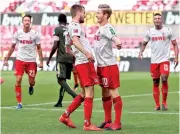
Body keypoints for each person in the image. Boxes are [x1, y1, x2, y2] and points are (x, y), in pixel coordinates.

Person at [59, 4, 102, 131]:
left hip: (80, 62)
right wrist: (86, 53)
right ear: (78, 13)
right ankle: (87, 124)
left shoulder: (68, 28)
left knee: (83, 93)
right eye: (84, 12)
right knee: (90, 93)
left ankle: (65, 116)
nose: (85, 15)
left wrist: (78, 54)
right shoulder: (76, 26)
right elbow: (76, 41)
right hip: (84, 62)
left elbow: (68, 49)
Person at [138, 13, 179, 111]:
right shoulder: (149, 32)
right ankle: (157, 104)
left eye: (159, 18)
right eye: (155, 18)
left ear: (162, 20)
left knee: (164, 79)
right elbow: (144, 43)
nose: (157, 20)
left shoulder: (168, 31)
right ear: (153, 21)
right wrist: (140, 52)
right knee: (155, 82)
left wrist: (176, 57)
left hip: (164, 60)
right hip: (154, 61)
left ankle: (164, 102)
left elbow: (175, 44)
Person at [3, 14, 43, 109]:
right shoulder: (17, 34)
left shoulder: (35, 34)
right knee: (18, 79)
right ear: (22, 22)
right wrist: (6, 59)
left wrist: (41, 61)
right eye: (25, 20)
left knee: (32, 81)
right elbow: (12, 47)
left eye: (28, 20)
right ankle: (19, 103)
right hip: (20, 60)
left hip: (31, 61)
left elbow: (39, 48)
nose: (27, 22)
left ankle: (31, 86)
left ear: (30, 22)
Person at [94, 4, 123, 130]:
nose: (96, 15)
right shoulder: (99, 28)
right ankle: (108, 120)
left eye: (99, 13)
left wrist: (118, 42)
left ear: (105, 15)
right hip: (101, 66)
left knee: (113, 92)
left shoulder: (108, 27)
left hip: (108, 66)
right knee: (104, 92)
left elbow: (114, 37)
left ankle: (117, 123)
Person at [46, 13, 77, 107]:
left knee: (60, 80)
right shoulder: (70, 29)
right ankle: (59, 102)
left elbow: (55, 44)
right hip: (70, 57)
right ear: (66, 20)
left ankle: (75, 96)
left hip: (62, 58)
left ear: (58, 20)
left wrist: (49, 58)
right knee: (64, 80)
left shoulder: (57, 29)